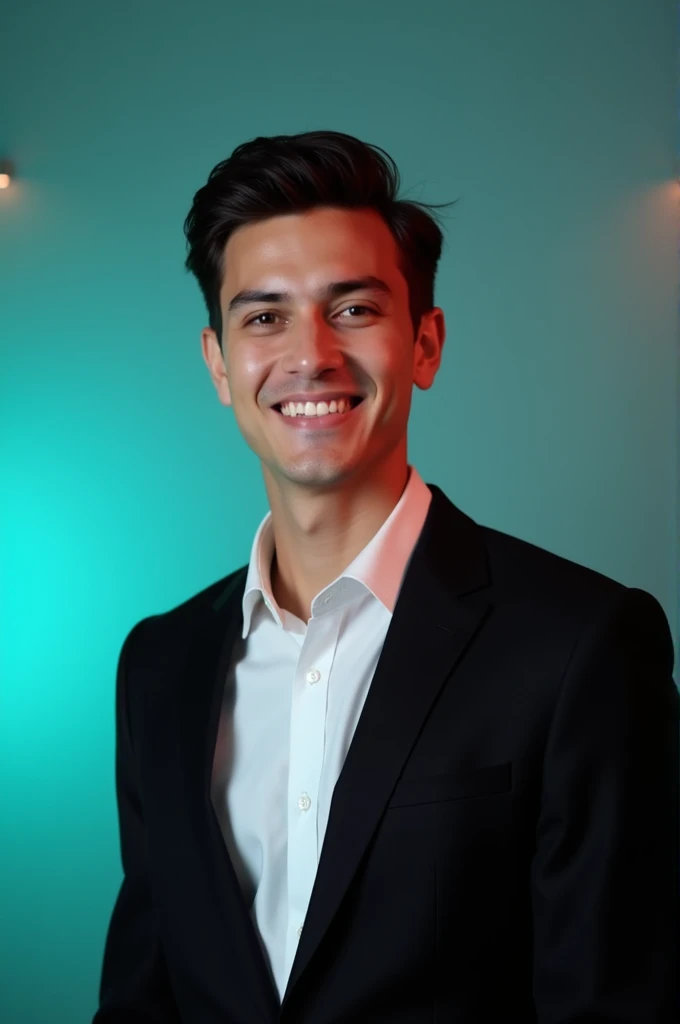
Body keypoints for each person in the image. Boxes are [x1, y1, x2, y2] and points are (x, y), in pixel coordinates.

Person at [93, 130, 678, 1024]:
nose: (311, 354)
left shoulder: (581, 646)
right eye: (264, 317)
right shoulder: (157, 665)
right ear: (219, 363)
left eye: (354, 309)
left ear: (426, 344)